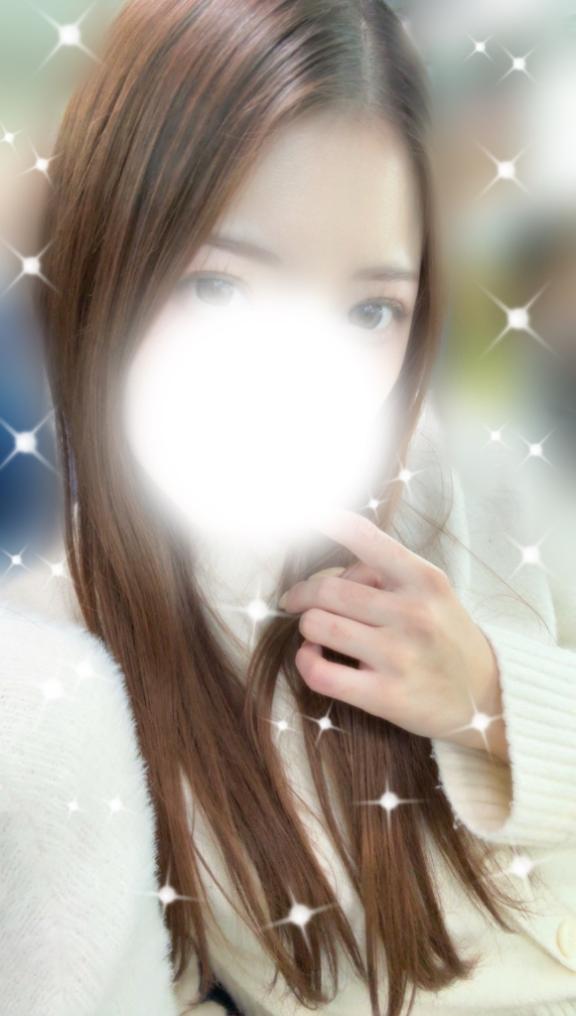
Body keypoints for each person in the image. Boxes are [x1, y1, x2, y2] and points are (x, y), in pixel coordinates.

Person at [1, 1, 575, 1015]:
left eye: (368, 309)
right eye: (221, 289)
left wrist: (489, 698)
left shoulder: (482, 481)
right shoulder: (60, 660)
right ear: (110, 257)